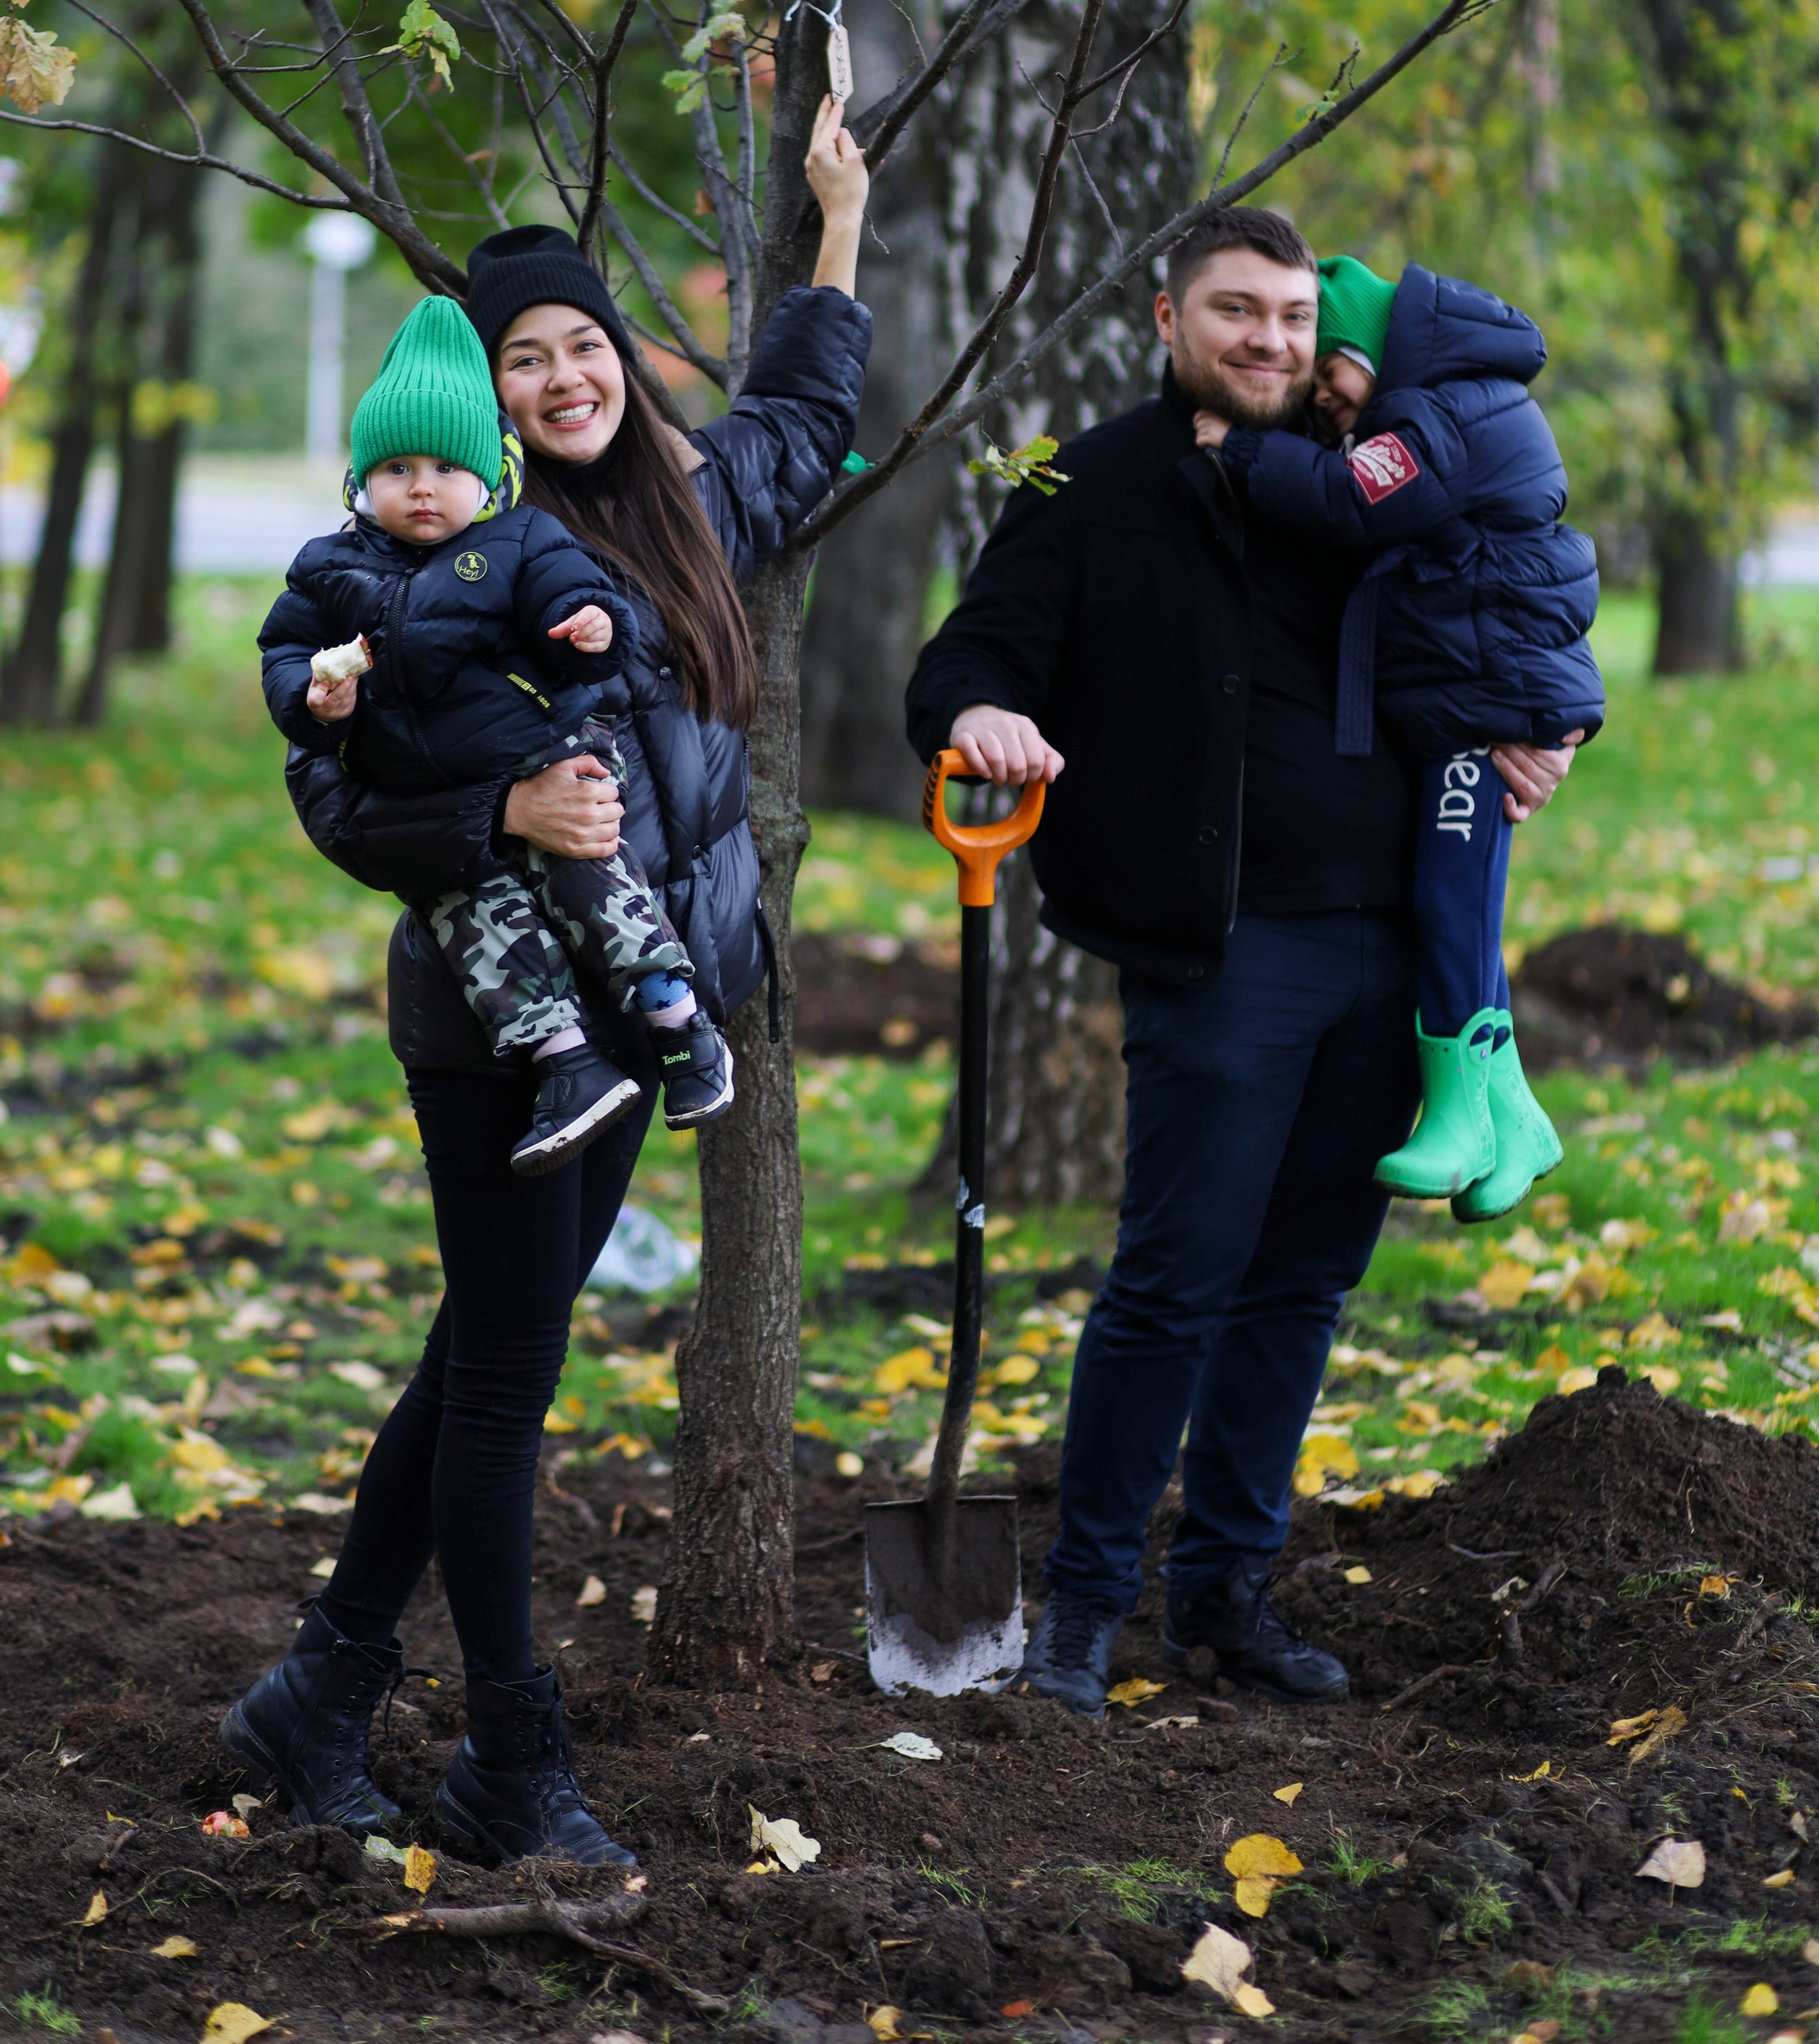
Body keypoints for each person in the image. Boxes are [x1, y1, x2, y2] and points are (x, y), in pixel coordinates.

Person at [220, 99, 870, 1860]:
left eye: (585, 342)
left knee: (481, 1354)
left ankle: (322, 1686)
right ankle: (511, 1759)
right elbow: (332, 793)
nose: (565, 376)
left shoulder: (687, 504)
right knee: (505, 1377)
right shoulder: (428, 556)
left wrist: (836, 221)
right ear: (478, 397)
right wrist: (494, 801)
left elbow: (807, 410)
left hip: (649, 1007)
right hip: (501, 1021)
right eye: (525, 359)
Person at [905, 205, 1580, 1721]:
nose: (1266, 341)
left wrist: (1541, 729)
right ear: (1167, 322)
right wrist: (979, 718)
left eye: (1288, 316)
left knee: (1300, 1291)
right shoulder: (1099, 481)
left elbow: (1507, 609)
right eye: (1233, 313)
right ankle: (1083, 1613)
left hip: (1396, 953)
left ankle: (1224, 1595)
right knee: (1172, 1283)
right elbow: (971, 654)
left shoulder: (1380, 463)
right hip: (1221, 951)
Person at [257, 291, 736, 1170]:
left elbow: (576, 599)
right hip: (438, 808)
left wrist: (590, 624)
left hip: (539, 756)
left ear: (488, 478)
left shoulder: (520, 540)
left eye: (444, 467)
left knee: (597, 886)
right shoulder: (331, 567)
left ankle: (684, 1029)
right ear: (362, 483)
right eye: (396, 469)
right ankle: (568, 1066)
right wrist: (309, 699)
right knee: (482, 929)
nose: (421, 487)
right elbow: (286, 651)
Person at [1192, 254, 1605, 1220]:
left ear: (1358, 348)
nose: (1326, 404)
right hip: (1476, 692)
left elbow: (1350, 500)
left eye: (1327, 376)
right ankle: (1513, 1113)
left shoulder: (1438, 415)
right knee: (1459, 898)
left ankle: (1459, 1113)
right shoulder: (1449, 397)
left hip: (1483, 702)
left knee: (1448, 899)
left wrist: (1238, 451)